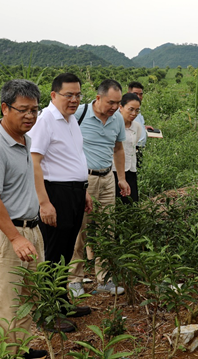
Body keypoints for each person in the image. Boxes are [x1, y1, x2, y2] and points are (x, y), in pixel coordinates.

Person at [0, 79, 47, 359]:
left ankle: (18, 350)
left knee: (28, 296)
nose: (30, 116)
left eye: (34, 109)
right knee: (2, 302)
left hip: (30, 229)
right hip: (8, 235)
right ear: (5, 108)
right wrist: (16, 237)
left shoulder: (25, 139)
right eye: (23, 110)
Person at [27, 73, 93, 333]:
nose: (75, 100)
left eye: (78, 95)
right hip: (55, 193)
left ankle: (62, 302)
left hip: (74, 192)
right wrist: (44, 202)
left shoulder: (70, 120)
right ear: (54, 95)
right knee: (53, 253)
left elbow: (74, 156)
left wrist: (84, 190)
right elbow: (34, 161)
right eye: (69, 95)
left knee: (65, 251)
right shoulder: (45, 121)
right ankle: (47, 311)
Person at [68, 79, 131, 298]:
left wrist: (121, 178)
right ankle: (74, 279)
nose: (114, 107)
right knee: (81, 230)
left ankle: (104, 279)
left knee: (107, 230)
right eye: (111, 102)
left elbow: (118, 148)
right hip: (83, 179)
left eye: (118, 103)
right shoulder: (79, 115)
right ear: (98, 98)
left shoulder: (117, 121)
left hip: (107, 178)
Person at [118, 93, 143, 204]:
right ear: (121, 107)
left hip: (131, 170)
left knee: (131, 203)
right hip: (115, 171)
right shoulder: (113, 125)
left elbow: (133, 145)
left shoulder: (136, 126)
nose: (134, 113)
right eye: (131, 109)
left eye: (137, 110)